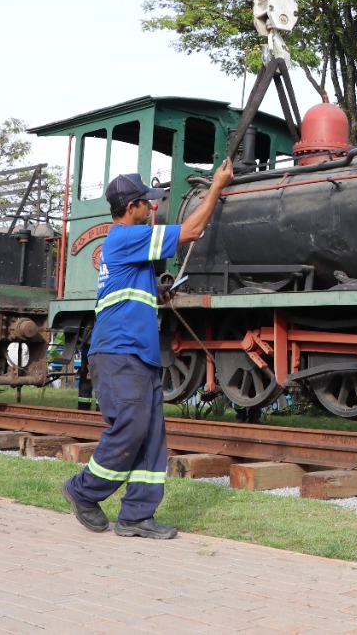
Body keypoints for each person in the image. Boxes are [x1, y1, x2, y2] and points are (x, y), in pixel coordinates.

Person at [62, 161, 234, 539]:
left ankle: (137, 515)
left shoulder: (128, 247)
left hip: (137, 354)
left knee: (151, 436)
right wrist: (217, 186)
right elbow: (192, 229)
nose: (151, 208)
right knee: (129, 427)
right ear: (131, 207)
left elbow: (127, 289)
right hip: (119, 352)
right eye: (146, 203)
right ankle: (82, 491)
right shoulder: (125, 237)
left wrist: (157, 293)